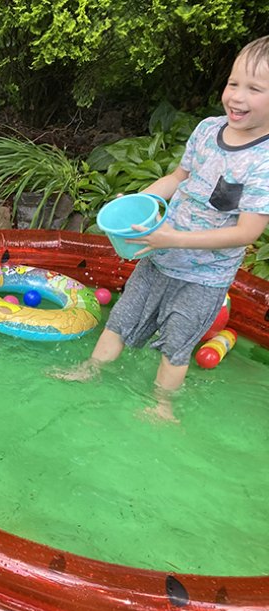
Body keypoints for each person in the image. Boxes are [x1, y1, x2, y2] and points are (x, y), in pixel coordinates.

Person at [54, 35, 269, 422]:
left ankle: (161, 405)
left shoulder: (263, 163)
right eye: (234, 83)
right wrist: (137, 203)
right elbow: (178, 177)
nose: (237, 96)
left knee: (178, 341)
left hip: (204, 276)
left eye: (254, 89)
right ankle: (91, 370)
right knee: (122, 318)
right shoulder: (207, 130)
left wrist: (174, 238)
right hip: (158, 252)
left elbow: (246, 232)